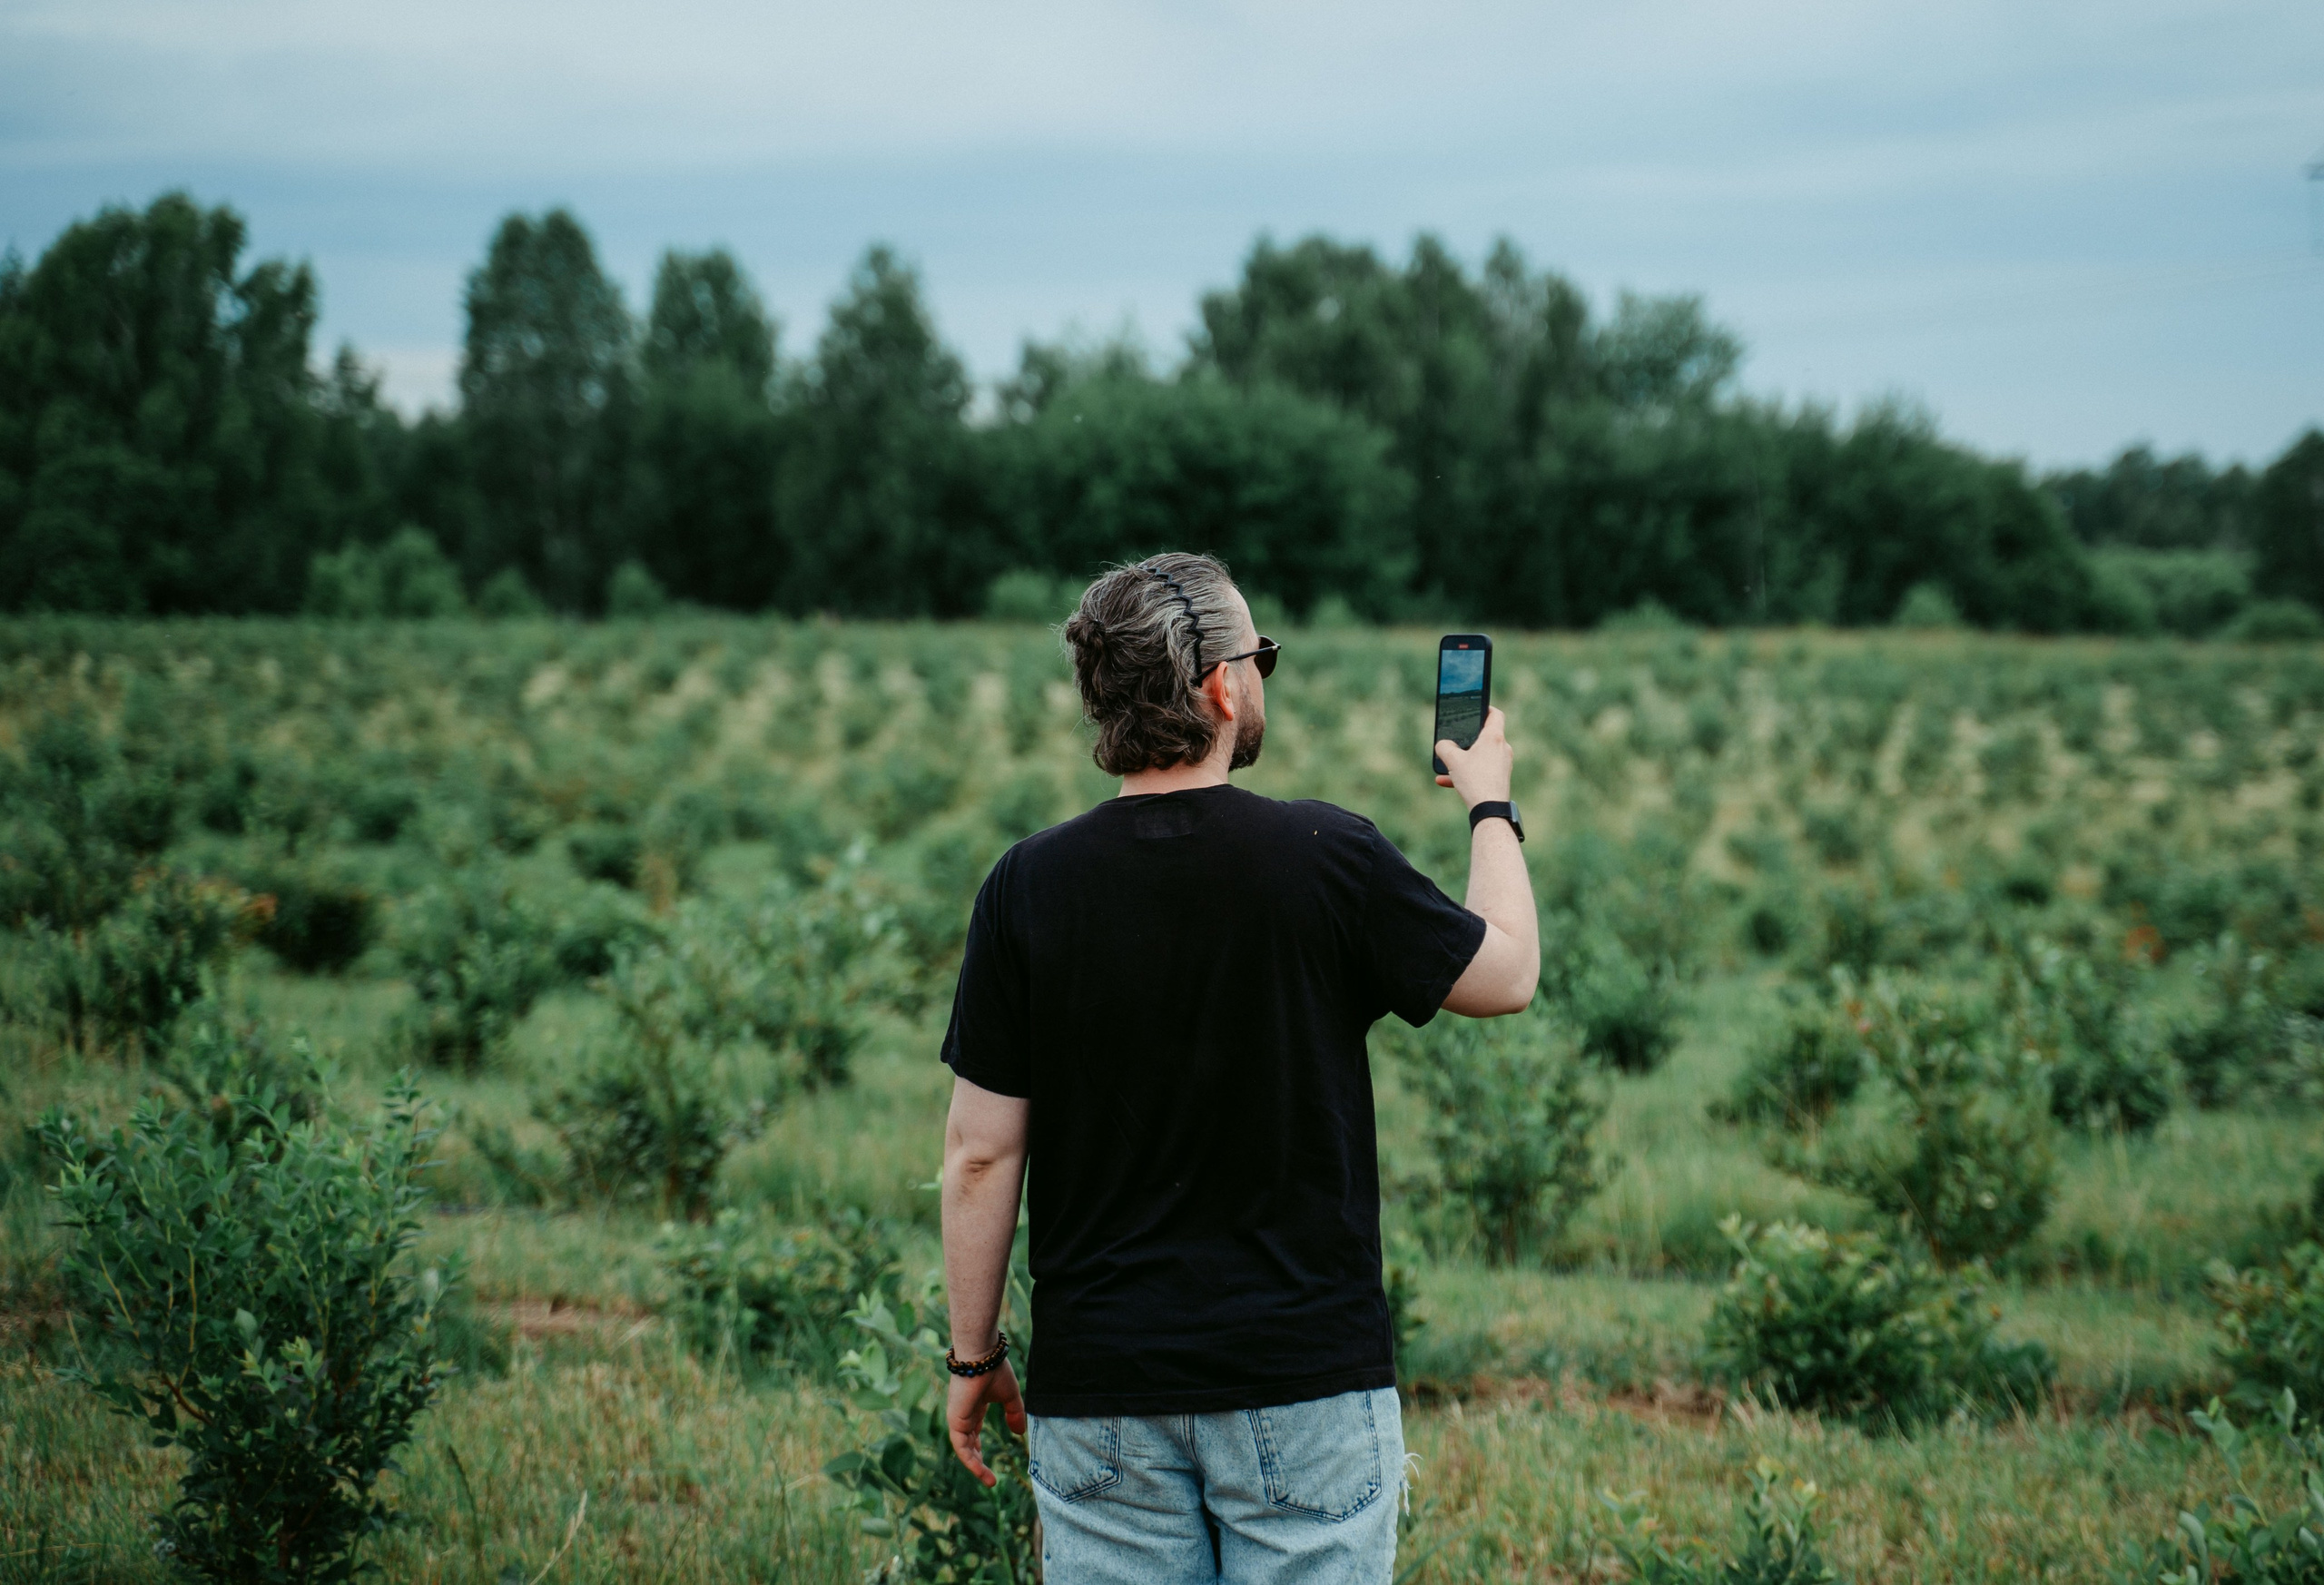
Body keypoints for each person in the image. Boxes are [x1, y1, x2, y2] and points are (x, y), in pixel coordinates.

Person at [938, 552, 1538, 1585]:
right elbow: (1509, 972)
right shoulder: (1326, 854)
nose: (1261, 676)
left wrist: (974, 1354)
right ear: (1221, 686)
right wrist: (1490, 806)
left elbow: (980, 1155)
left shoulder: (1025, 884)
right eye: (1260, 657)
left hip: (1102, 1391)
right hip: (1302, 1381)